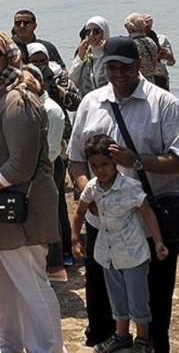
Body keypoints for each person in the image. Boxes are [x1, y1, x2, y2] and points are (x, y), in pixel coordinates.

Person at [68, 36, 179, 353]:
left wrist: (139, 161)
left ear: (138, 66)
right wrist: (88, 194)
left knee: (155, 300)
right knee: (103, 299)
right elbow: (76, 159)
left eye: (125, 68)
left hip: (150, 218)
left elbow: (178, 160)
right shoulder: (91, 102)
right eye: (111, 67)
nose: (118, 74)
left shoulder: (164, 104)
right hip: (104, 223)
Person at [0, 31, 65, 353]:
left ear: (9, 57)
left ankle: (48, 349)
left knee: (32, 287)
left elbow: (20, 166)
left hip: (22, 212)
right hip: (1, 213)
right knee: (6, 290)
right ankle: (7, 347)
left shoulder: (17, 99)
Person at [72, 134, 169, 353]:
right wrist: (75, 239)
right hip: (108, 255)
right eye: (95, 166)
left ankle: (143, 340)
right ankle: (122, 336)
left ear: (114, 162)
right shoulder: (93, 188)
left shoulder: (130, 186)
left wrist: (158, 242)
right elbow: (79, 212)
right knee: (117, 298)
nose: (100, 171)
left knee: (138, 298)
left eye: (105, 164)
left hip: (133, 254)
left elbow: (148, 214)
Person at [24, 65, 68, 282]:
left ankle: (55, 264)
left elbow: (52, 149)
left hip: (48, 167)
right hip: (36, 167)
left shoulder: (51, 109)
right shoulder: (30, 106)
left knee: (50, 214)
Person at [69, 16, 110, 96]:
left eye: (96, 32)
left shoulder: (111, 54)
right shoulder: (85, 55)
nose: (91, 35)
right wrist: (80, 57)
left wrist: (108, 52)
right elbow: (72, 81)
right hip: (88, 104)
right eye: (88, 32)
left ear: (104, 33)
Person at [123, 14, 158, 83]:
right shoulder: (151, 41)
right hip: (151, 80)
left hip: (137, 81)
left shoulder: (131, 44)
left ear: (131, 28)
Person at [143, 14, 175, 90]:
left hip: (160, 77)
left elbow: (171, 62)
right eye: (145, 22)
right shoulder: (137, 41)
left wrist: (169, 57)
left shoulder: (162, 39)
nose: (147, 25)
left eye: (149, 22)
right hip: (144, 78)